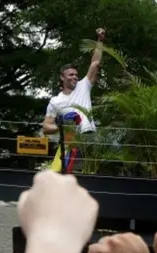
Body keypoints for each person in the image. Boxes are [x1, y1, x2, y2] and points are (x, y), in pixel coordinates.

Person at [42, 28, 105, 173]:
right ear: (62, 77)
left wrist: (100, 41)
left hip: (89, 141)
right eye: (70, 74)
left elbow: (95, 63)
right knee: (66, 179)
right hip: (70, 144)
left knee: (90, 179)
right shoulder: (55, 101)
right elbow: (46, 127)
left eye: (76, 74)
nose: (75, 77)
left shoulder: (84, 86)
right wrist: (63, 129)